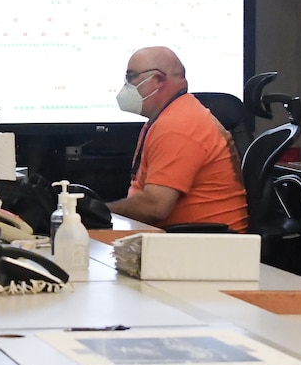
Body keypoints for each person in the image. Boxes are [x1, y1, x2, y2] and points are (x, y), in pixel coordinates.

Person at [105, 46, 249, 231]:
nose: (126, 85)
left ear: (157, 79)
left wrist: (102, 211)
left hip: (203, 247)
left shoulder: (177, 125)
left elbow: (155, 207)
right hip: (189, 241)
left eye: (131, 77)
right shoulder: (169, 117)